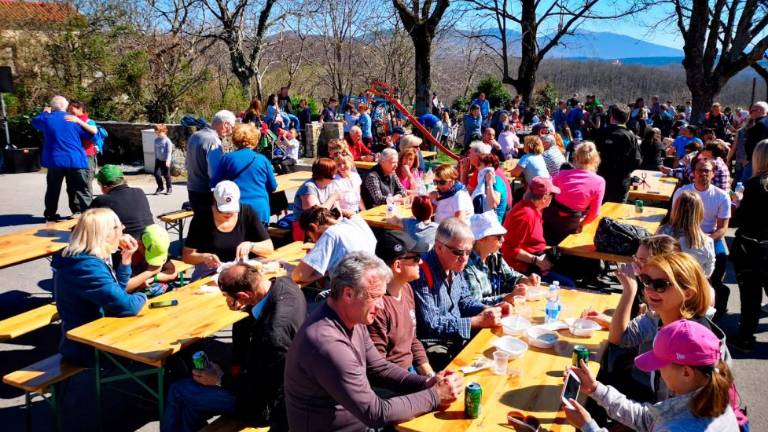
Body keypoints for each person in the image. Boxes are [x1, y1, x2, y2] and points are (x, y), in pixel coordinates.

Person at [284, 252, 463, 431]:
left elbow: (378, 367)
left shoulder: (352, 317)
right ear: (348, 294)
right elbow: (375, 413)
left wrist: (426, 383)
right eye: (375, 296)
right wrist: (435, 396)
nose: (381, 305)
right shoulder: (327, 343)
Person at [163, 263, 306, 432]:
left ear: (243, 295)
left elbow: (259, 388)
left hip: (265, 406)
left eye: (227, 297)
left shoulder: (272, 335)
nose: (226, 302)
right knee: (191, 405)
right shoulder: (285, 284)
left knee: (179, 391)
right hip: (285, 382)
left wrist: (219, 378)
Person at [565, 320, 739, 432]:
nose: (657, 372)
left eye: (660, 366)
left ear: (686, 372)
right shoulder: (709, 396)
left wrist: (587, 426)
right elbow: (647, 419)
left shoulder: (679, 427)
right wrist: (595, 388)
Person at [607, 252, 730, 404]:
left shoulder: (688, 340)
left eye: (660, 285)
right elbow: (620, 338)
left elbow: (675, 409)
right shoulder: (660, 315)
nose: (649, 289)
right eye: (646, 280)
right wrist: (629, 290)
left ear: (688, 293)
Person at [52, 208, 147, 366]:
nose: (123, 228)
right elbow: (128, 306)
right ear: (105, 234)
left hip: (96, 333)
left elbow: (117, 294)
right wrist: (144, 296)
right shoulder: (86, 268)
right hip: (89, 346)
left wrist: (126, 261)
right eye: (118, 226)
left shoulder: (83, 256)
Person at [412, 218, 505, 368]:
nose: (464, 259)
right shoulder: (422, 272)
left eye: (468, 252)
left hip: (456, 336)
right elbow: (432, 325)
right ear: (439, 247)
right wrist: (476, 322)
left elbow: (465, 300)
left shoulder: (454, 265)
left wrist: (487, 310)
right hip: (433, 345)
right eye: (458, 252)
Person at [671, 159, 730, 321]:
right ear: (693, 173)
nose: (703, 174)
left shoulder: (721, 196)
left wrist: (704, 240)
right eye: (699, 170)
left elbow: (723, 228)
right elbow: (674, 220)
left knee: (721, 259)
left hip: (710, 236)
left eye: (706, 171)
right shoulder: (682, 192)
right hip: (683, 234)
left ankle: (716, 294)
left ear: (713, 174)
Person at [368, 231, 434, 375]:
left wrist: (430, 375)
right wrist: (420, 385)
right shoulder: (377, 307)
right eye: (416, 258)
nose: (421, 262)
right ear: (397, 265)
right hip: (392, 383)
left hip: (410, 372)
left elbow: (412, 339)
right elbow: (378, 368)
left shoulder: (406, 289)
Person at [183, 181, 274, 280]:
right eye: (223, 210)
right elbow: (187, 256)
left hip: (241, 273)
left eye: (232, 210)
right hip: (211, 274)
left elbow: (269, 248)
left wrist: (251, 245)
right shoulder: (202, 217)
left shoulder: (247, 212)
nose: (228, 214)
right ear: (215, 201)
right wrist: (204, 257)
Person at [729, 140, 768, 352]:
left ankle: (745, 338)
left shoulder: (755, 186)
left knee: (751, 296)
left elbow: (744, 220)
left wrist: (739, 202)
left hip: (752, 248)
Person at [501, 176, 575, 286]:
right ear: (545, 197)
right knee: (569, 286)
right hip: (525, 271)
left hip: (536, 262)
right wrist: (537, 261)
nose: (553, 198)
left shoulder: (533, 209)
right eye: (552, 195)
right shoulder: (525, 215)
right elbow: (508, 249)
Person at [32, 95, 95, 221]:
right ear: (63, 106)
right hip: (75, 159)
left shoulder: (46, 119)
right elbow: (91, 135)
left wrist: (44, 113)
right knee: (81, 189)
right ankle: (88, 216)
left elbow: (35, 122)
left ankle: (50, 213)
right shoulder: (72, 119)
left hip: (55, 161)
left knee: (53, 189)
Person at [464, 211, 540, 305]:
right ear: (481, 239)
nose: (503, 240)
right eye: (499, 237)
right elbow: (475, 304)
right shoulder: (467, 266)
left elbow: (511, 276)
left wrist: (526, 280)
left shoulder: (494, 256)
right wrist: (507, 297)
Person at [291, 206, 377, 286]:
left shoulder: (331, 234)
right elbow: (351, 213)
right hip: (374, 283)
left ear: (313, 226)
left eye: (309, 237)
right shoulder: (357, 221)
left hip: (352, 293)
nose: (313, 241)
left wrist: (323, 273)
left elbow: (299, 275)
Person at [210, 123, 277, 224]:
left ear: (235, 140)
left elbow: (214, 184)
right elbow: (273, 186)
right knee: (259, 239)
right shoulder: (262, 160)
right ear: (255, 140)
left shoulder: (227, 159)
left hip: (236, 208)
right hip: (259, 209)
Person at [543, 142, 605, 245]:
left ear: (575, 158)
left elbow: (546, 191)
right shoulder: (599, 181)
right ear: (596, 161)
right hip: (572, 224)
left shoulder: (561, 174)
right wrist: (582, 224)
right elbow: (595, 213)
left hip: (551, 223)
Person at [186, 110, 235, 216]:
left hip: (192, 189)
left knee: (200, 224)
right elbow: (215, 173)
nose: (231, 132)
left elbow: (187, 164)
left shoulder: (194, 136)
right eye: (231, 127)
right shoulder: (213, 140)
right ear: (225, 124)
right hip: (206, 193)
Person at [657, 191, 715, 277]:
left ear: (675, 209)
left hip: (666, 284)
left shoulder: (662, 234)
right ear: (700, 213)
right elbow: (708, 271)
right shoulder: (707, 242)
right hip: (694, 284)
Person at [90, 165, 154, 241]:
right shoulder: (139, 191)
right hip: (150, 240)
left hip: (125, 245)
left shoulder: (101, 200)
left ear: (104, 186)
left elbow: (86, 222)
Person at [595, 105, 641, 203]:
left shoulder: (601, 133)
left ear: (611, 117)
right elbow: (637, 160)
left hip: (602, 178)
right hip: (621, 180)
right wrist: (626, 170)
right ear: (627, 118)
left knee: (600, 210)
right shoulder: (630, 136)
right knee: (617, 210)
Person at [292, 158, 340, 241]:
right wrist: (333, 197)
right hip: (306, 230)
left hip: (324, 227)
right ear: (326, 173)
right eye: (334, 172)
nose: (335, 175)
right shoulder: (309, 187)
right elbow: (315, 215)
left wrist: (340, 223)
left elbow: (337, 211)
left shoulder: (330, 185)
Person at [67, 101, 99, 200]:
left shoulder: (88, 121)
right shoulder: (69, 120)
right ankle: (76, 210)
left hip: (87, 155)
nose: (69, 111)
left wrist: (78, 121)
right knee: (72, 184)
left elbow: (94, 131)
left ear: (80, 108)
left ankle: (89, 210)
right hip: (73, 156)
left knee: (85, 182)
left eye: (72, 109)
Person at [471, 153, 507, 222]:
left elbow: (493, 205)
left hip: (493, 223)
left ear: (489, 166)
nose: (477, 168)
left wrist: (489, 183)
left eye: (479, 164)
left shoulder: (496, 182)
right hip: (483, 219)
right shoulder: (482, 181)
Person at [332, 152, 365, 216]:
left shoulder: (355, 176)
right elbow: (335, 207)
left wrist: (364, 212)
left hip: (357, 213)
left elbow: (359, 197)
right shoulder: (335, 181)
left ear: (351, 163)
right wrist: (353, 215)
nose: (342, 166)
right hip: (343, 216)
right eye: (339, 164)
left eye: (344, 163)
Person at [743, 101, 768, 180]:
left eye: (751, 111)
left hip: (756, 160)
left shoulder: (759, 125)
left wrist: (748, 158)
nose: (750, 113)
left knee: (744, 184)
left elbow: (753, 144)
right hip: (765, 160)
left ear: (759, 111)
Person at [153, 124, 174, 194]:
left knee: (166, 175)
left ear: (163, 131)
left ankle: (169, 188)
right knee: (156, 174)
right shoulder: (156, 140)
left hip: (165, 161)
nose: (157, 134)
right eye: (156, 133)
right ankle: (160, 187)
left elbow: (169, 152)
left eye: (158, 133)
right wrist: (156, 158)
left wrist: (168, 160)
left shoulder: (167, 141)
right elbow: (155, 150)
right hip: (158, 160)